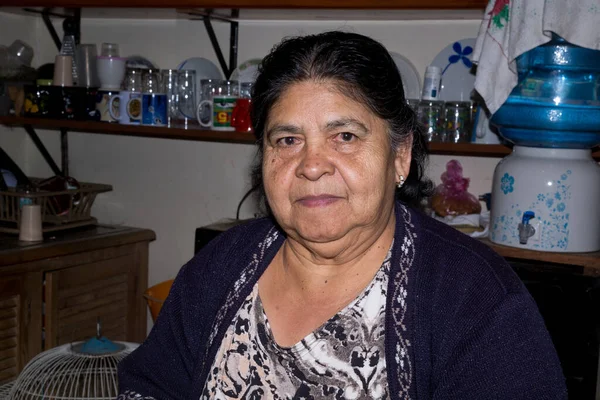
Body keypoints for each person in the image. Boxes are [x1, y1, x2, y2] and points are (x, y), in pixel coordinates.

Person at [117, 31, 567, 399]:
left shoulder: (476, 301)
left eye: (346, 136)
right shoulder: (219, 268)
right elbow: (148, 387)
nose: (312, 164)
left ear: (400, 156)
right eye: (287, 140)